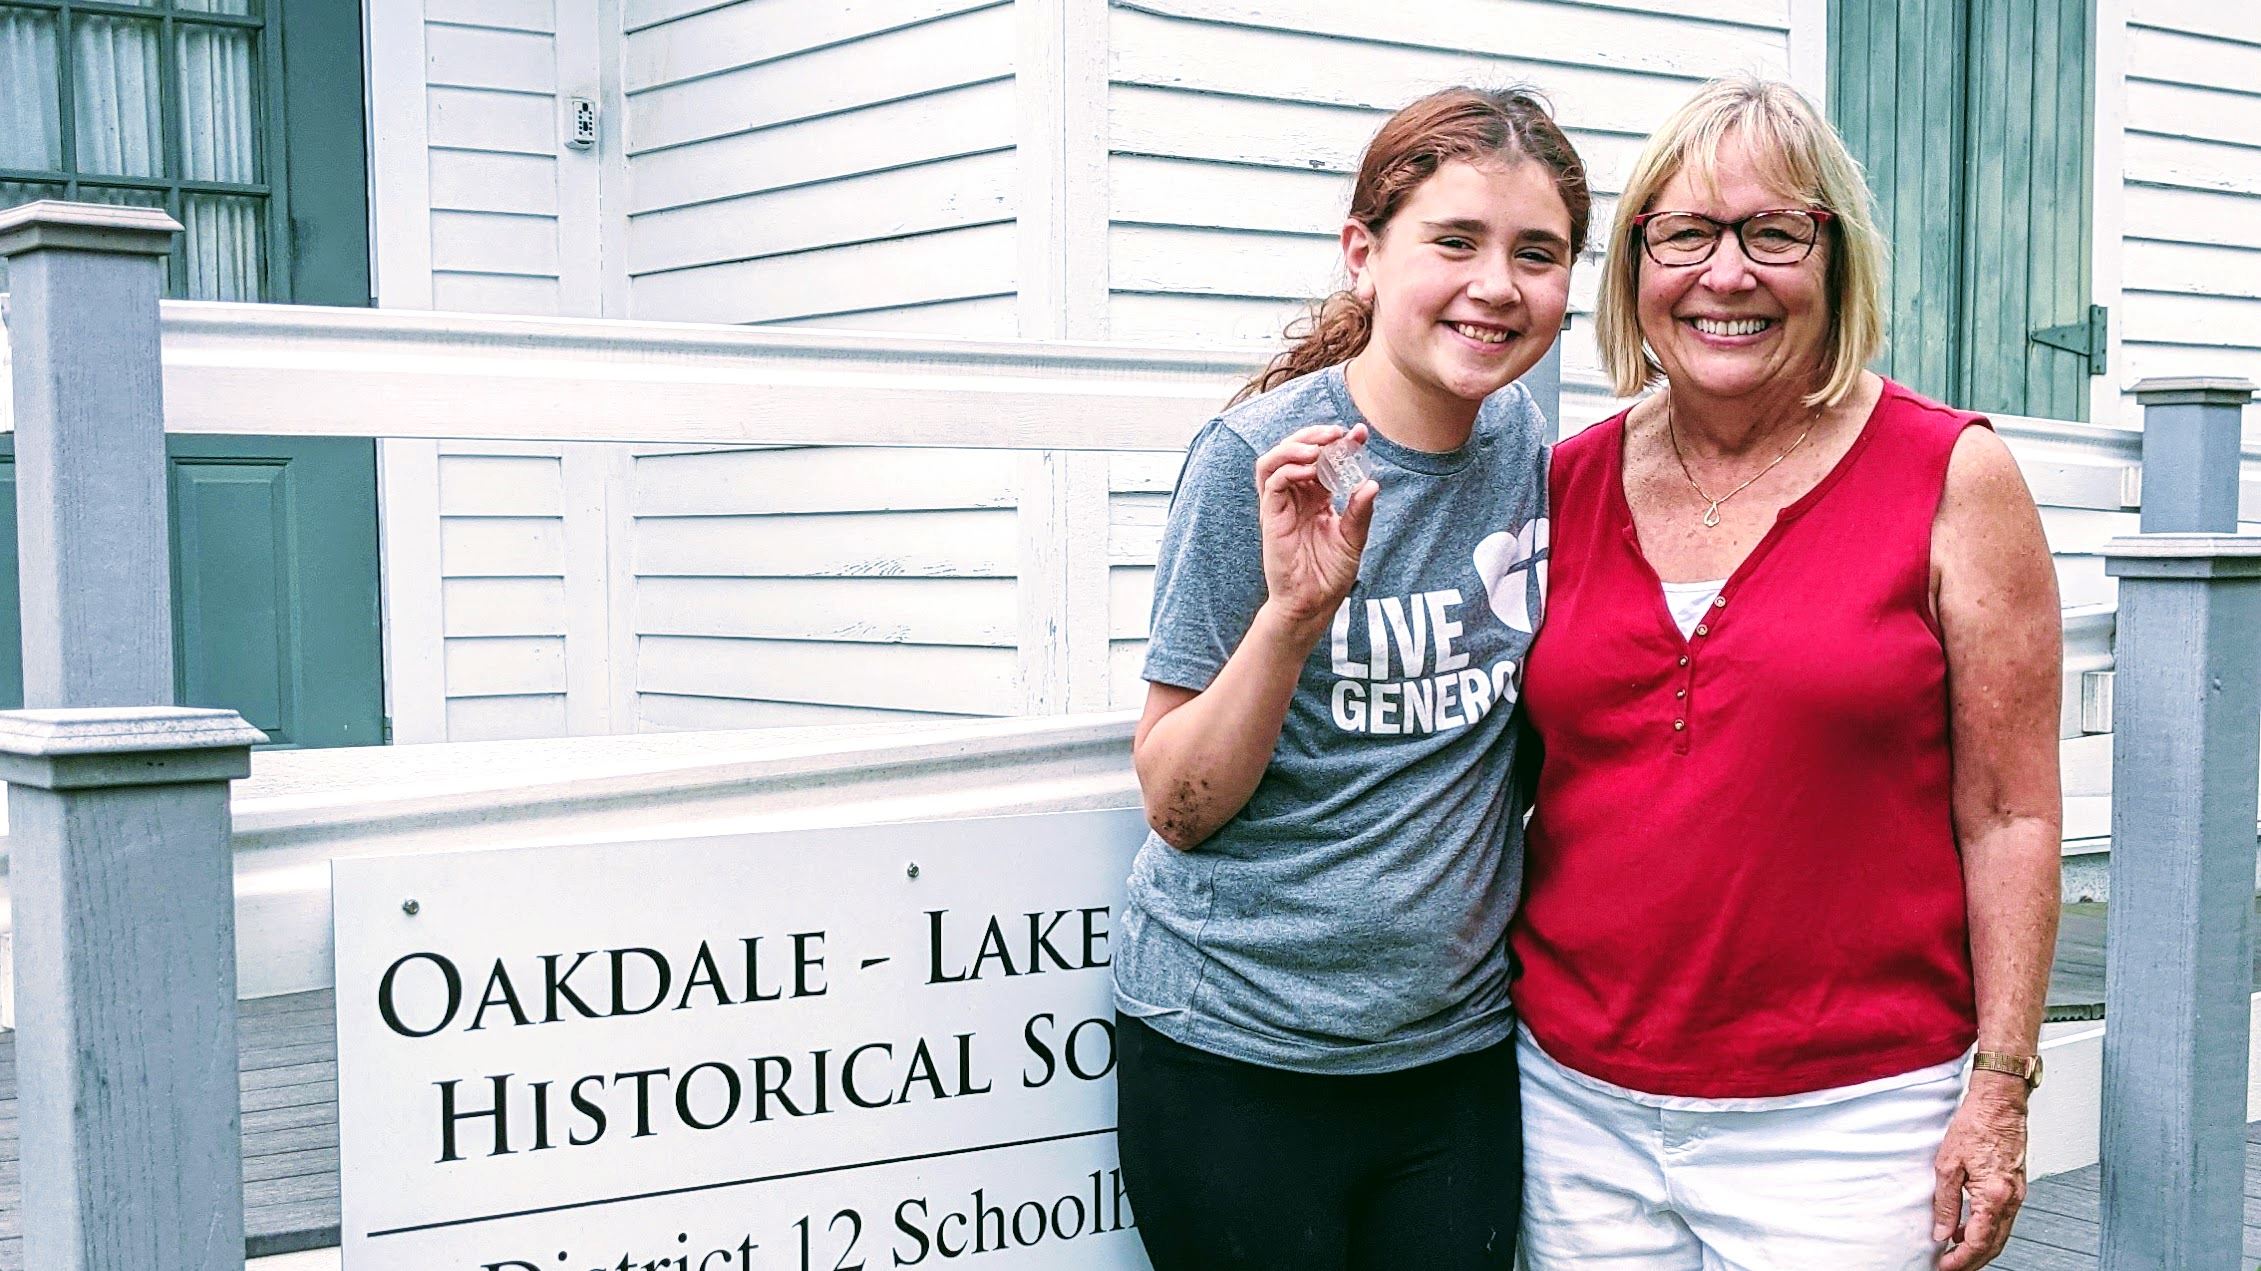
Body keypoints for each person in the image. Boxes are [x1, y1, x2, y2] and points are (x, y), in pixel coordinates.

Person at [1512, 76, 2062, 1271]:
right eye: (1686, 234)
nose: (1726, 274)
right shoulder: (1560, 482)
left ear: (1834, 259)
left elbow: (2010, 812)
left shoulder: (1951, 476)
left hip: (1851, 1126)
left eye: (1772, 233)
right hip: (1572, 1106)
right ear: (1634, 265)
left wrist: (2002, 1083)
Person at [1109, 86, 1588, 1271]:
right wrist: (1293, 614)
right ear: (1363, 255)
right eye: (1455, 241)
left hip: (1452, 1059)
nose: (1496, 285)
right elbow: (1177, 803)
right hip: (1235, 1048)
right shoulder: (1258, 466)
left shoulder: (1543, 461)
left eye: (1535, 253)